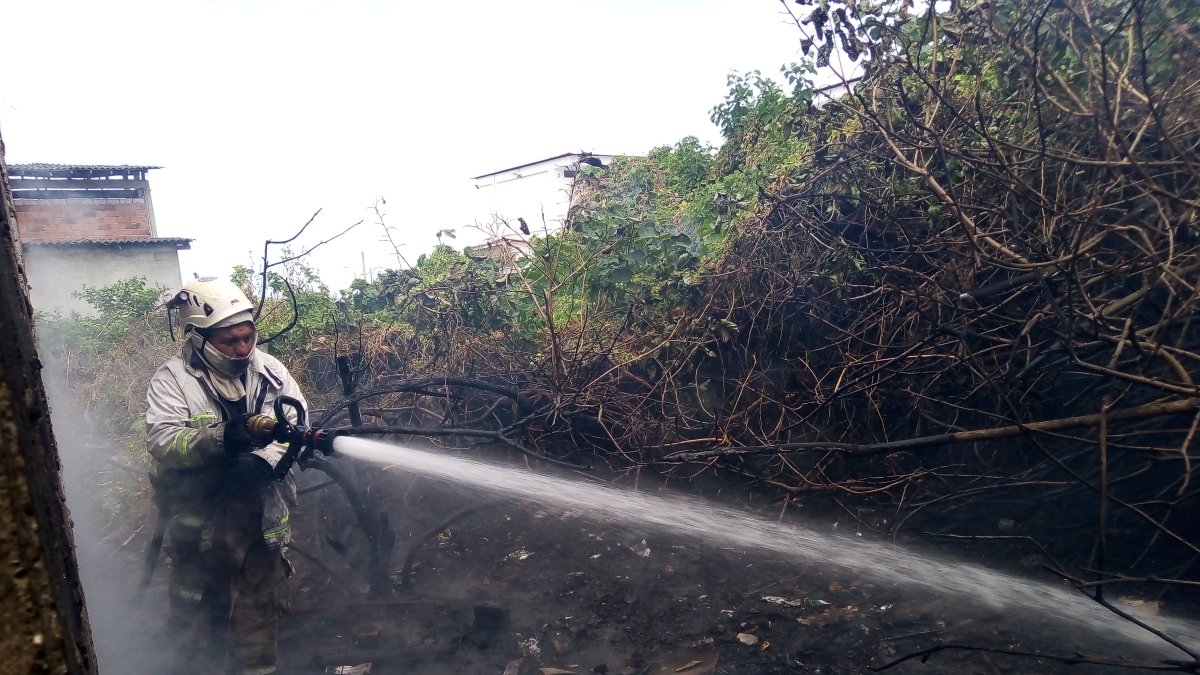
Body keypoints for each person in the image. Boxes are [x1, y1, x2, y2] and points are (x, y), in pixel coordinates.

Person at [145, 278, 308, 675]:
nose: (242, 349)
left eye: (248, 337)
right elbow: (163, 440)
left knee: (258, 626)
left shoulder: (269, 371)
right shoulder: (173, 380)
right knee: (196, 627)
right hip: (200, 529)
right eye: (229, 340)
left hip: (261, 525)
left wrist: (262, 461)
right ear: (198, 336)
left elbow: (297, 425)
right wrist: (220, 439)